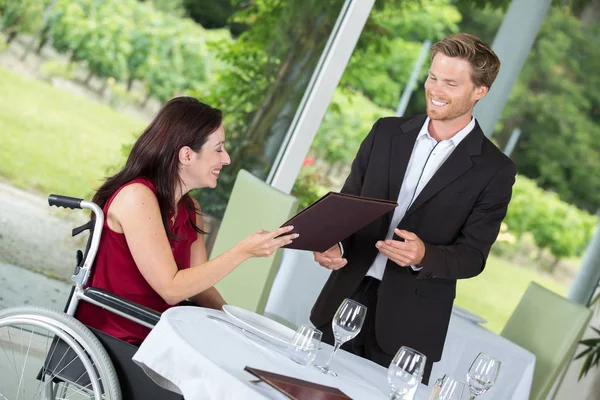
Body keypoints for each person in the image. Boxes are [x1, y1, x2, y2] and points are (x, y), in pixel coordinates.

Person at [310, 33, 517, 384]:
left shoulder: (495, 170)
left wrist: (424, 255)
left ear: (479, 91)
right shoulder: (385, 132)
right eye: (433, 77)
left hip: (410, 328)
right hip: (343, 298)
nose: (436, 89)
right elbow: (349, 206)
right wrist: (335, 243)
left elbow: (473, 256)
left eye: (451, 83)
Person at [76, 97, 298, 345]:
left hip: (161, 333)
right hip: (121, 336)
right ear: (186, 155)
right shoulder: (136, 198)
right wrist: (243, 251)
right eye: (218, 149)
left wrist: (240, 328)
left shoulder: (191, 210)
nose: (226, 160)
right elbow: (171, 289)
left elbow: (199, 286)